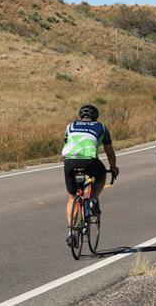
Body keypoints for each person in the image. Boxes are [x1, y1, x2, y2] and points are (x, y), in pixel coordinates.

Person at [62, 104, 119, 247]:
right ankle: (93, 199)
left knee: (71, 196)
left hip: (69, 161)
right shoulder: (102, 127)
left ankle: (71, 232)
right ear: (95, 116)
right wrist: (113, 167)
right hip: (89, 161)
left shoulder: (70, 126)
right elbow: (109, 151)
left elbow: (67, 143)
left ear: (81, 116)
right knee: (101, 176)